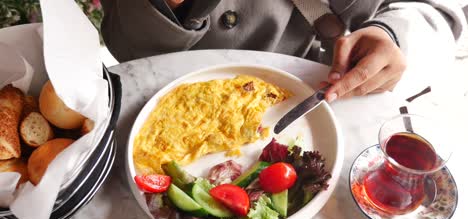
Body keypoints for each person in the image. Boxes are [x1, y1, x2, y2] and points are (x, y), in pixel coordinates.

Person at [100, 0, 467, 102]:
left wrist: (393, 34)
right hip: (197, 99)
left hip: (355, 101)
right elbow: (133, 55)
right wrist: (174, 6)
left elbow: (441, 12)